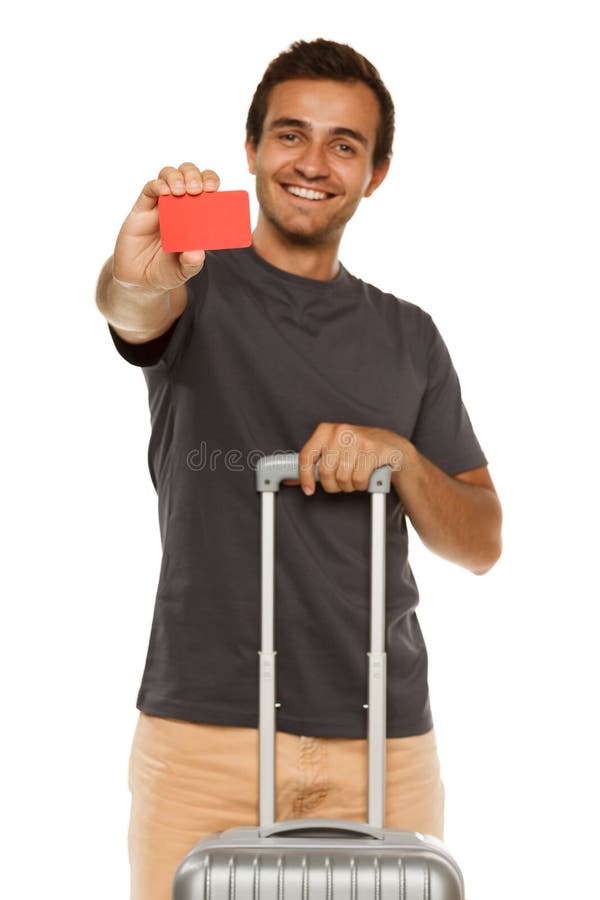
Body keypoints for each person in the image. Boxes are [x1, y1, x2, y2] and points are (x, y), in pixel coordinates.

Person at [96, 38, 502, 900]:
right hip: (203, 733)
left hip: (383, 736)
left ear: (376, 173)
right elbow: (136, 307)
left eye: (343, 144)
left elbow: (481, 542)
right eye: (290, 136)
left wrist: (400, 458)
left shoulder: (411, 336)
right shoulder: (193, 282)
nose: (312, 164)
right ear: (251, 151)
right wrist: (130, 276)